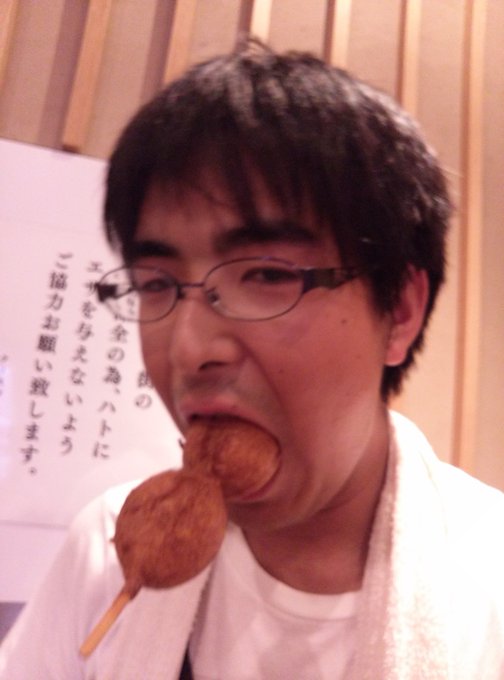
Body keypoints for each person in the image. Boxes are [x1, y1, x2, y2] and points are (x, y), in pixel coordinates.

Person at [1, 39, 504, 680]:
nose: (188, 349)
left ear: (399, 312)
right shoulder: (107, 551)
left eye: (267, 274)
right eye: (156, 284)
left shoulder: (489, 583)